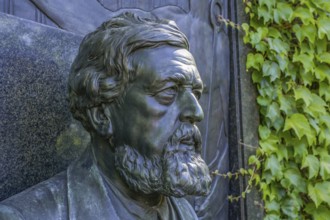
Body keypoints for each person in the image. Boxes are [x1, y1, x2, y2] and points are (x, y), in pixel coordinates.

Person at [0, 12, 212, 220]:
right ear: (102, 114)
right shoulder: (27, 215)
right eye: (168, 91)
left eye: (195, 93)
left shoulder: (184, 212)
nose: (196, 112)